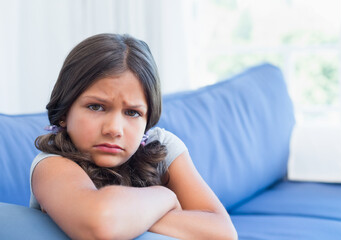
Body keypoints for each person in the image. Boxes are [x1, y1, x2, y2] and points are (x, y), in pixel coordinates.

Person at [30, 33, 237, 240]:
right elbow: (102, 223)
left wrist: (131, 217)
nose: (114, 129)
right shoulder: (50, 164)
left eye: (132, 113)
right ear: (64, 112)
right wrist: (165, 196)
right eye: (96, 107)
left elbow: (223, 233)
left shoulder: (161, 146)